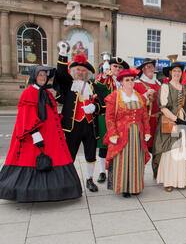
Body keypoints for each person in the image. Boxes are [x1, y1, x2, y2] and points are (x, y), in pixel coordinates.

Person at [0, 65, 82, 202]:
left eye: (44, 75)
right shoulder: (29, 92)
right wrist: (34, 134)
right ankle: (31, 192)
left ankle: (53, 191)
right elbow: (26, 115)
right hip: (36, 135)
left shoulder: (47, 93)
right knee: (33, 160)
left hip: (52, 136)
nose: (43, 77)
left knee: (54, 158)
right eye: (40, 75)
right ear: (34, 77)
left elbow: (52, 113)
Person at [54, 41, 104, 193]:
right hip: (72, 125)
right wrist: (63, 54)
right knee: (70, 153)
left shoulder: (93, 86)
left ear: (87, 73)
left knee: (90, 153)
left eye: (83, 71)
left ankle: (89, 179)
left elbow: (102, 105)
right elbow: (61, 74)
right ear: (73, 71)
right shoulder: (68, 84)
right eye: (78, 70)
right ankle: (67, 179)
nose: (80, 72)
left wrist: (94, 107)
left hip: (90, 126)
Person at [103, 69, 151, 198]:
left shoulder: (139, 97)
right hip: (121, 134)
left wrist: (147, 131)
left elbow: (145, 116)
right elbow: (109, 117)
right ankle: (124, 187)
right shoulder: (114, 97)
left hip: (137, 135)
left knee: (137, 160)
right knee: (123, 161)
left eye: (131, 80)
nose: (130, 82)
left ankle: (135, 186)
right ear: (122, 82)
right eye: (127, 80)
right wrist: (112, 134)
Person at [152, 62, 186, 192]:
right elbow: (163, 108)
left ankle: (181, 180)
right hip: (170, 122)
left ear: (182, 73)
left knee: (181, 151)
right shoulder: (165, 87)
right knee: (170, 151)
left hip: (184, 124)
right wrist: (177, 119)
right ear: (170, 73)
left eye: (179, 71)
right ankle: (168, 181)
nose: (176, 73)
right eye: (174, 71)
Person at [95, 56, 130, 184]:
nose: (117, 69)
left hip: (121, 118)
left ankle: (115, 169)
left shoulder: (125, 81)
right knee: (104, 145)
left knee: (118, 144)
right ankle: (102, 172)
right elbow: (98, 85)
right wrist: (104, 74)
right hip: (106, 116)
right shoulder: (104, 78)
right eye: (115, 66)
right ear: (110, 67)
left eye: (120, 67)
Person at [134, 58, 161, 153]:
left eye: (152, 67)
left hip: (157, 123)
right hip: (144, 123)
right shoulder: (136, 84)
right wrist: (145, 95)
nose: (150, 69)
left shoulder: (158, 84)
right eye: (147, 67)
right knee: (141, 150)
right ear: (143, 69)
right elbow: (133, 103)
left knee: (157, 152)